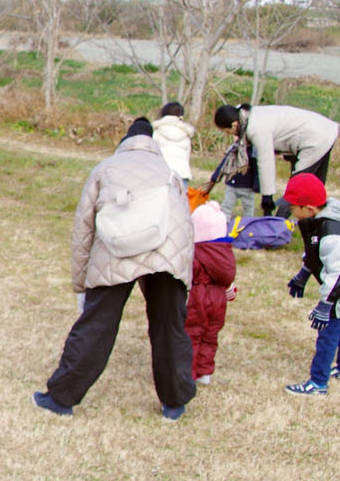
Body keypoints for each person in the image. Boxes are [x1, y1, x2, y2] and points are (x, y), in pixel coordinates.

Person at [33, 119, 196, 421]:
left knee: (97, 324)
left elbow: (83, 231)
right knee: (169, 325)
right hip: (167, 251)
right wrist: (184, 283)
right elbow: (186, 231)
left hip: (118, 243)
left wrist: (82, 286)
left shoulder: (105, 168)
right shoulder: (170, 172)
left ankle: (61, 398)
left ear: (123, 141)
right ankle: (175, 403)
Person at [282, 173, 340, 395]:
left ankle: (318, 383)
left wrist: (326, 306)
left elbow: (339, 274)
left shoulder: (334, 235)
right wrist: (303, 275)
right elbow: (315, 254)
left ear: (309, 208)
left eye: (294, 208)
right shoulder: (317, 222)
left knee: (329, 334)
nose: (291, 211)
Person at [213, 103, 339, 216]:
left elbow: (265, 163)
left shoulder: (255, 128)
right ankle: (318, 221)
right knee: (315, 186)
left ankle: (276, 226)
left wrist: (267, 200)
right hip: (324, 130)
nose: (230, 135)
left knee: (297, 188)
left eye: (228, 131)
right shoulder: (248, 114)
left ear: (234, 125)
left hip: (314, 138)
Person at [187, 201, 236, 385]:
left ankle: (188, 373)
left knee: (192, 335)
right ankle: (204, 371)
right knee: (210, 336)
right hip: (218, 302)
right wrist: (230, 289)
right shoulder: (224, 253)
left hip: (196, 298)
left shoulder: (194, 252)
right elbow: (227, 279)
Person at [208, 136, 259, 222]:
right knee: (227, 205)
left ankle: (247, 224)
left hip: (247, 187)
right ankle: (224, 223)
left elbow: (257, 170)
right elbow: (224, 164)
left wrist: (256, 186)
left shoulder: (252, 153)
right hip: (232, 184)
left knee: (248, 207)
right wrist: (215, 177)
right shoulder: (233, 150)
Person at [153, 101, 194, 182]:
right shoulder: (186, 134)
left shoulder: (156, 132)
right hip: (182, 173)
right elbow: (187, 157)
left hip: (161, 172)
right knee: (181, 194)